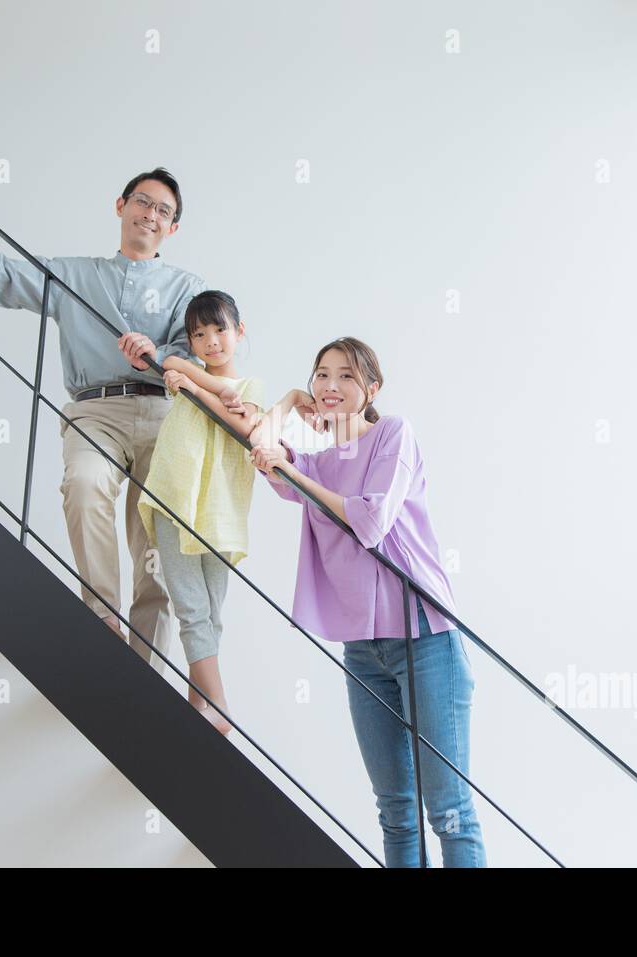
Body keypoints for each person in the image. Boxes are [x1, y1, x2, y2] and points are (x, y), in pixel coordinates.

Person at [0, 168, 234, 674]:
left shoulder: (188, 286)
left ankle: (143, 677)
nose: (151, 214)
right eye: (143, 202)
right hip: (95, 410)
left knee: (157, 553)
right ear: (120, 205)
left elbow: (201, 350)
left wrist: (160, 355)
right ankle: (101, 620)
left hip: (167, 416)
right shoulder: (73, 276)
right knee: (83, 481)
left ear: (173, 229)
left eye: (164, 211)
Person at [249, 337, 487, 867]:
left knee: (449, 810)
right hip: (362, 648)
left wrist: (291, 471)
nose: (330, 386)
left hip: (426, 639)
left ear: (371, 389)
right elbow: (259, 446)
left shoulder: (392, 435)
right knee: (395, 812)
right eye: (320, 375)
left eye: (346, 377)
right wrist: (288, 400)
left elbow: (371, 521)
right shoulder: (315, 461)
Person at [136, 290, 264, 734]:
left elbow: (242, 424)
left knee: (210, 612)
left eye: (220, 330)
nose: (211, 341)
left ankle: (200, 703)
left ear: (239, 331)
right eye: (199, 334)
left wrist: (194, 385)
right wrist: (187, 379)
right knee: (192, 607)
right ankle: (220, 707)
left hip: (220, 516)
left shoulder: (251, 390)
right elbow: (171, 365)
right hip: (177, 504)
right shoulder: (182, 375)